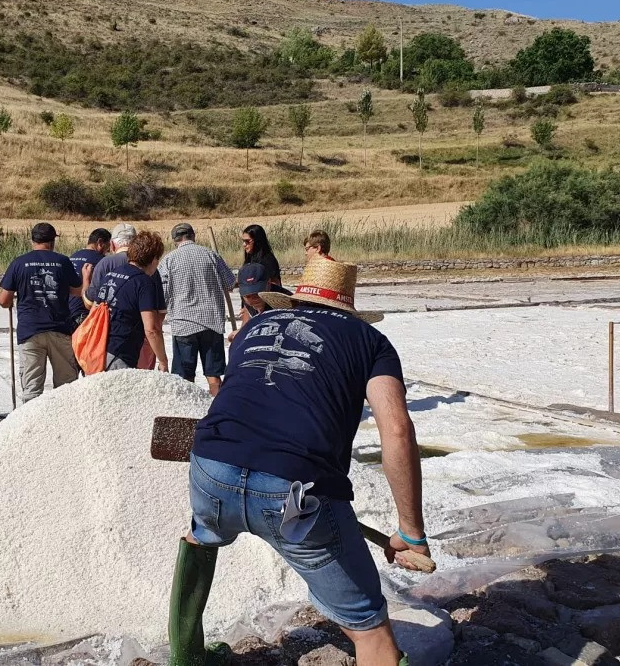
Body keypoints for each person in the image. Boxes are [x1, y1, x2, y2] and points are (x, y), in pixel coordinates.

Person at [167, 256, 428, 666]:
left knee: (202, 534)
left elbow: (243, 397)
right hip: (296, 490)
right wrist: (411, 533)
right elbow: (397, 431)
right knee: (368, 624)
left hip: (211, 465)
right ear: (350, 307)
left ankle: (186, 658)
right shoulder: (370, 342)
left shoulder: (253, 326)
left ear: (296, 300)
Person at [0, 223, 82, 403]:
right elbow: (76, 290)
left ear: (32, 240)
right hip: (60, 329)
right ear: (52, 241)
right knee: (66, 386)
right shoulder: (62, 261)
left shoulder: (19, 262)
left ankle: (32, 428)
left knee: (32, 389)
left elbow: (4, 300)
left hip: (30, 331)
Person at [160, 223, 234, 396]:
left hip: (183, 325)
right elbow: (230, 283)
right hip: (211, 323)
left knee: (184, 378)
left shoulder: (169, 261)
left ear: (174, 240)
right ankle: (217, 411)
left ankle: (187, 417)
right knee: (214, 377)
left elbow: (162, 296)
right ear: (193, 235)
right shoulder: (211, 255)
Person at [86, 223, 168, 369]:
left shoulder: (111, 274)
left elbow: (94, 309)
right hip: (121, 352)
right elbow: (151, 329)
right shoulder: (144, 282)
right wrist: (163, 361)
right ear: (153, 259)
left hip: (99, 348)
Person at [68, 228, 110, 329]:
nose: (107, 252)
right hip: (84, 314)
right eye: (107, 248)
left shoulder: (73, 256)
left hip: (67, 313)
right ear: (100, 242)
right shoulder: (102, 261)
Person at [226, 263, 270, 344]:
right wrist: (240, 333)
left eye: (257, 293)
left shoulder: (283, 302)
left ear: (269, 284)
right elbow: (247, 317)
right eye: (248, 295)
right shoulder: (248, 302)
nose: (253, 299)